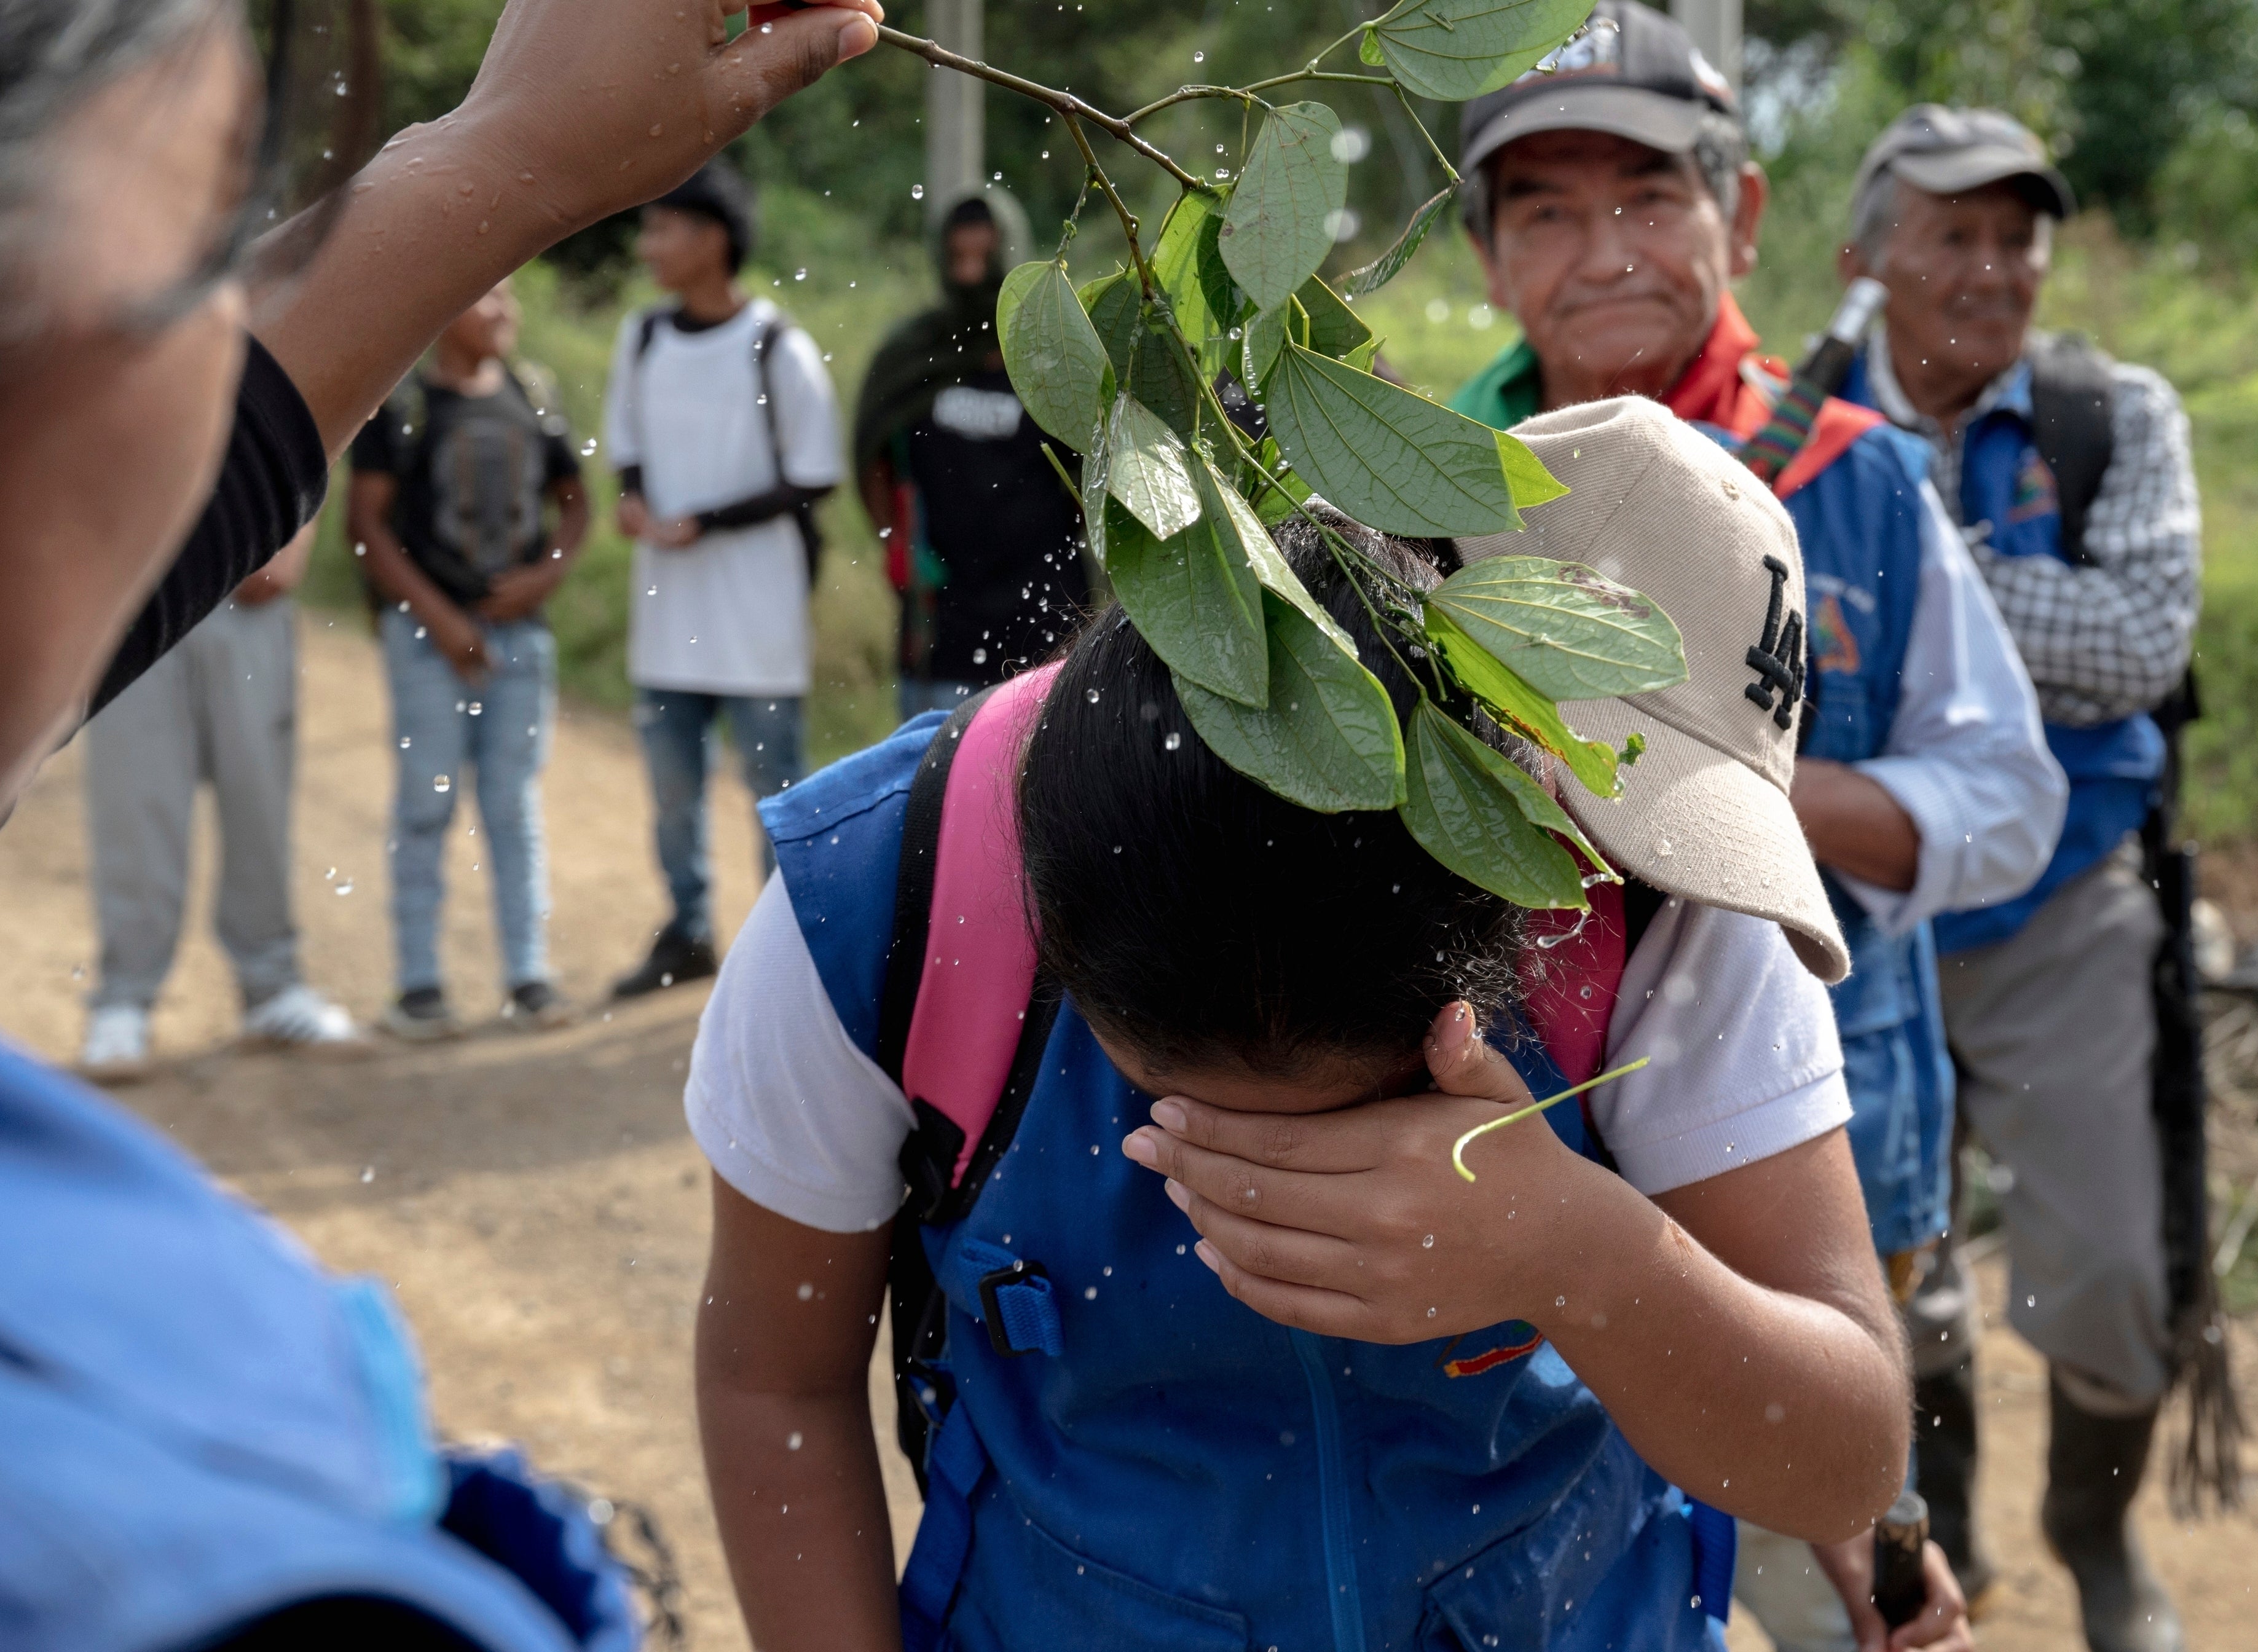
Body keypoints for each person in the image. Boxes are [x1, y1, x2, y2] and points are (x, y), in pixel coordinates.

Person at [687, 399, 1920, 1651]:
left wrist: (1575, 1251)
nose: (1264, 1180)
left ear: (1500, 888)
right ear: (1046, 920)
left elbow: (1841, 1455)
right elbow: (770, 1379)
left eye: (1359, 1116)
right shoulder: (880, 905)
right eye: (1174, 1111)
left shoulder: (1634, 898)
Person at [0, 0, 879, 1645]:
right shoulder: (197, 1539)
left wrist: (507, 160)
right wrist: (501, 163)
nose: (222, 363)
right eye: (210, 250)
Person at [1449, 8, 2063, 1646]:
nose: (1604, 252)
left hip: (1821, 1171)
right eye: (1545, 212)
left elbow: (2006, 796)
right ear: (1489, 258)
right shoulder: (1428, 495)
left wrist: (1700, 782)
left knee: (1837, 1557)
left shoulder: (1854, 485)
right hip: (1526, 1188)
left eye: (1649, 197)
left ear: (1742, 216)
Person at [1835, 105, 2205, 1652]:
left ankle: (2088, 1528)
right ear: (1866, 257)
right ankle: (1946, 1527)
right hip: (1851, 917)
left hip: (2064, 904)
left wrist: (1904, 570)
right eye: (1952, 235)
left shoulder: (2107, 416)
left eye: (2016, 237)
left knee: (2113, 1271)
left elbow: (2138, 647)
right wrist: (2005, 604)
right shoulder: (1785, 418)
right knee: (1885, 1272)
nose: (1992, 272)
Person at [605, 155, 845, 999]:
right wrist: (634, 505)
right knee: (673, 794)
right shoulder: (641, 338)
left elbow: (816, 472)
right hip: (668, 613)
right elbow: (625, 453)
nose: (648, 246)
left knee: (773, 791)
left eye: (661, 227)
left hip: (755, 617)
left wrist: (703, 521)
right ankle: (688, 931)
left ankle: (790, 956)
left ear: (712, 239)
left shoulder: (776, 344)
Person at [350, 280, 588, 1039]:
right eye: (490, 299)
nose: (506, 314)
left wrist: (546, 575)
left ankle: (528, 976)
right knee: (427, 803)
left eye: (512, 302)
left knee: (512, 806)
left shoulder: (533, 393)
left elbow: (576, 500)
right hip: (426, 644)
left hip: (521, 641)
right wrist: (440, 618)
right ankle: (419, 987)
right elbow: (368, 525)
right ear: (445, 309)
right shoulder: (403, 405)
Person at [77, 514, 364, 1079]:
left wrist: (296, 532)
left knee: (259, 798)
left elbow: (312, 424)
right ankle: (123, 1002)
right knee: (136, 802)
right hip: (131, 594)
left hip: (247, 588)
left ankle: (271, 988)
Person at [852, 189, 1088, 718]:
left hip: (1043, 623)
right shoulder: (916, 352)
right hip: (943, 625)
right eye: (957, 259)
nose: (969, 276)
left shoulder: (1052, 353)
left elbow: (1091, 473)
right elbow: (873, 453)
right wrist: (897, 545)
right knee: (934, 788)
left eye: (984, 259)